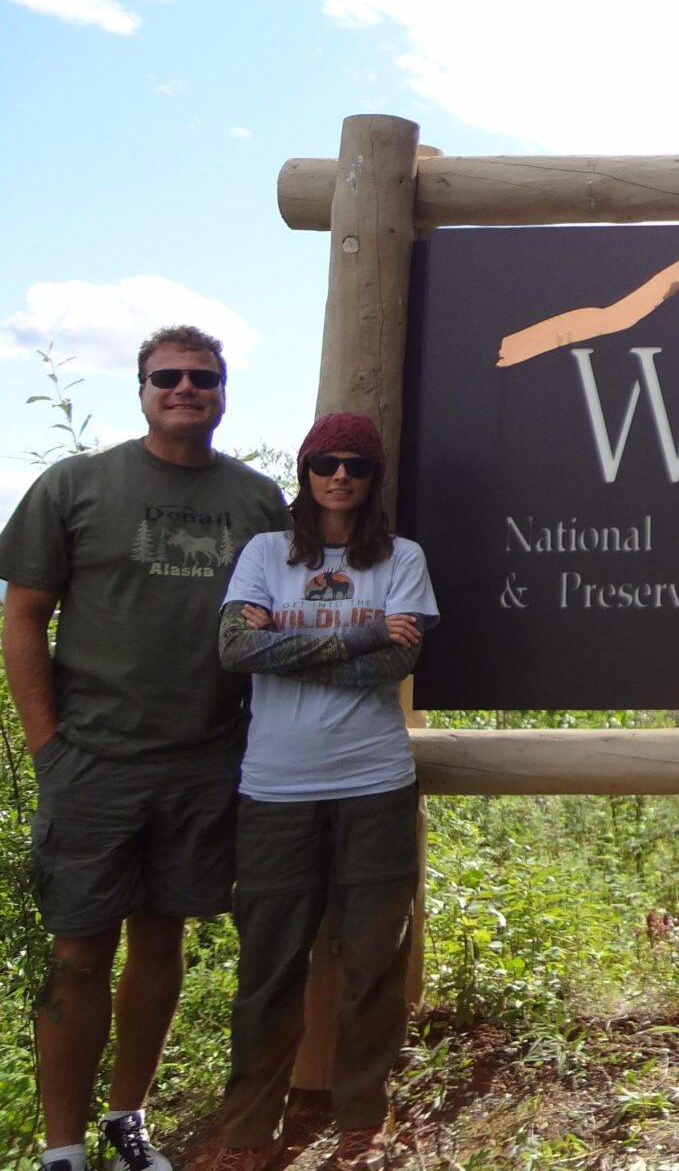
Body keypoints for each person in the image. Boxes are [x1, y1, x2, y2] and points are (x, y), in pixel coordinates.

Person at [0, 327, 288, 1171]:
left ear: (224, 391)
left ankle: (128, 1119)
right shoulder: (77, 485)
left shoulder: (256, 500)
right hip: (93, 760)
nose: (185, 388)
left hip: (206, 761)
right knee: (78, 952)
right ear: (141, 390)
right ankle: (61, 1147)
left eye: (203, 376)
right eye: (168, 377)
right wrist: (47, 746)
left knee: (162, 943)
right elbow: (24, 613)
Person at [209, 412, 436, 1171]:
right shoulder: (265, 554)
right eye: (325, 463)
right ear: (305, 472)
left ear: (373, 479)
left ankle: (362, 1118)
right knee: (268, 965)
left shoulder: (401, 558)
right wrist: (362, 634)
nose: (340, 476)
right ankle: (248, 1130)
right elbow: (235, 648)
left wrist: (285, 644)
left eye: (356, 465)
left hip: (373, 781)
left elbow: (394, 667)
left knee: (372, 963)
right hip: (275, 787)